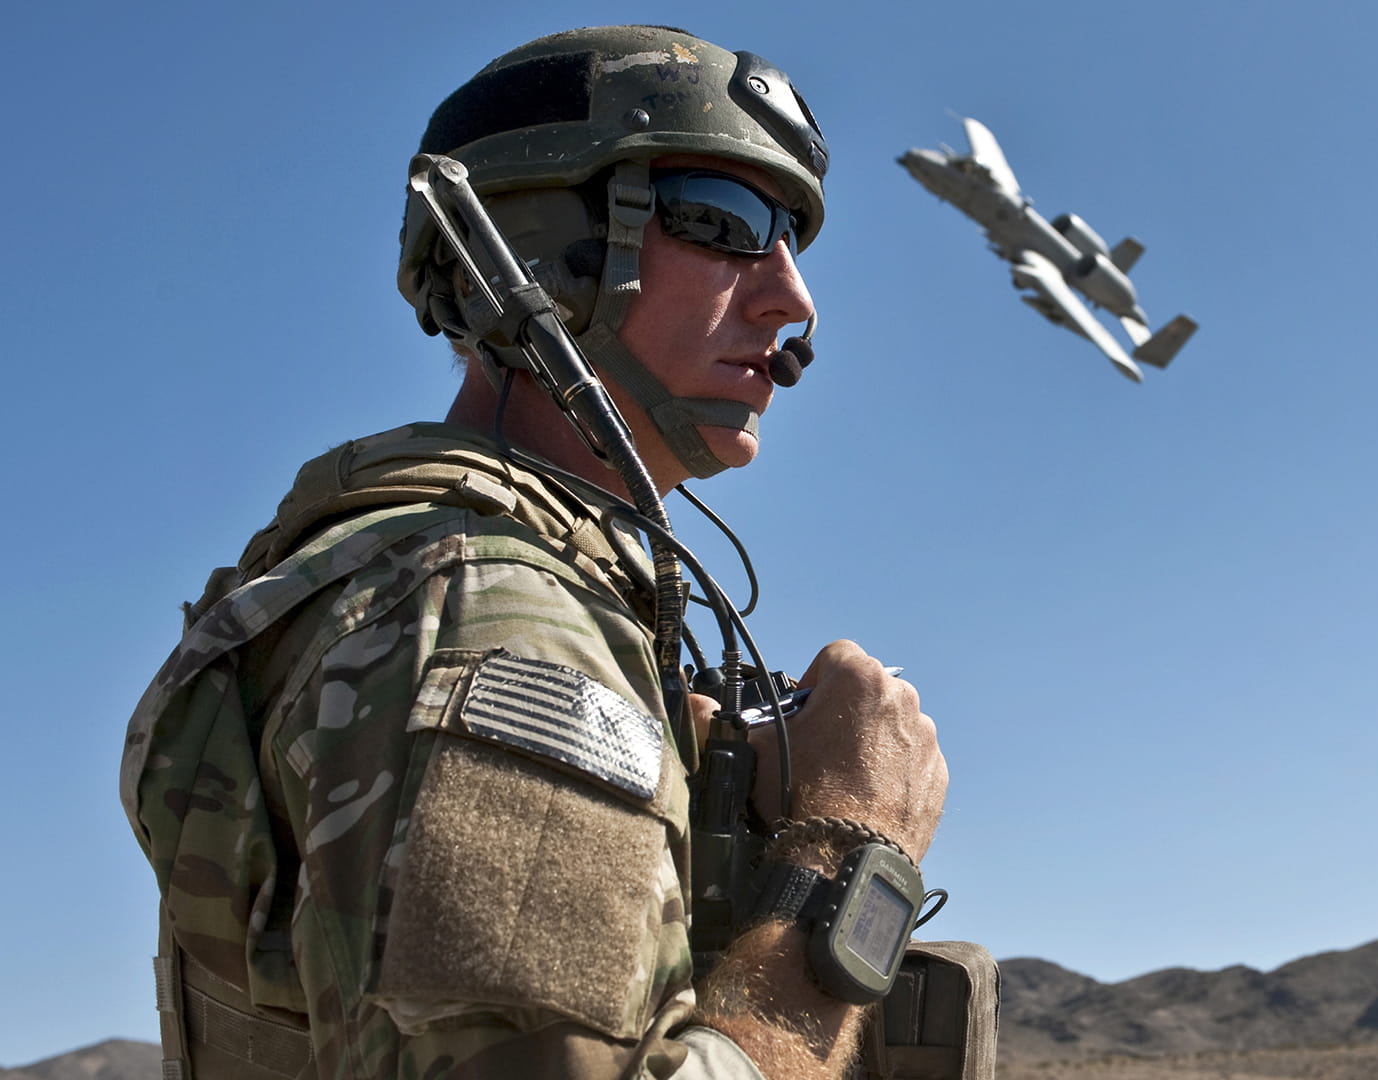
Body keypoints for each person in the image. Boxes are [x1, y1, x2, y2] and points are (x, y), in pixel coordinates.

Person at [121, 25, 949, 1080]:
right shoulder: (490, 613)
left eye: (792, 235)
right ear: (542, 254)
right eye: (726, 222)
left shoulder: (495, 587)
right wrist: (853, 842)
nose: (794, 301)